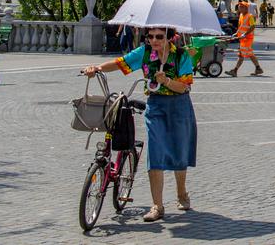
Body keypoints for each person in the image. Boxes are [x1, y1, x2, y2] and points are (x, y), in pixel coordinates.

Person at [83, 26, 197, 222]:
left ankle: (181, 193)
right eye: (150, 36)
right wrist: (97, 68)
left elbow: (185, 86)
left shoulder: (181, 56)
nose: (154, 40)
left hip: (179, 105)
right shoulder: (144, 52)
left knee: (179, 151)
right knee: (155, 153)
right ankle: (157, 206)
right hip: (156, 105)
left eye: (159, 37)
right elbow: (120, 63)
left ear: (169, 38)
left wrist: (168, 81)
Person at [225, 2, 263, 77]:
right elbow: (240, 26)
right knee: (249, 54)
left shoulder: (250, 16)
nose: (239, 8)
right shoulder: (241, 15)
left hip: (247, 38)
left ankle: (235, 70)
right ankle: (258, 68)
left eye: (241, 7)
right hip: (242, 38)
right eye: (239, 7)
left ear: (246, 8)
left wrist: (245, 34)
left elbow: (252, 26)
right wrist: (236, 33)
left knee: (241, 55)